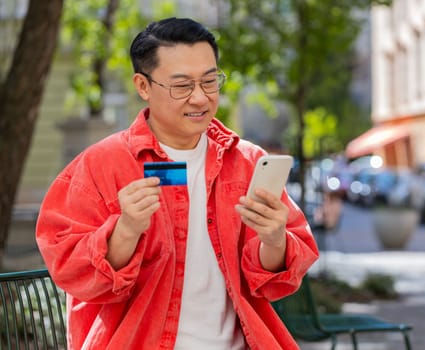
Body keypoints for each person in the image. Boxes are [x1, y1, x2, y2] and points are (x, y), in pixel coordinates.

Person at [36, 17, 319, 350]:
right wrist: (125, 230)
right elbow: (71, 271)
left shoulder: (247, 162)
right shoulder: (101, 165)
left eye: (210, 81)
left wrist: (274, 239)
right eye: (182, 86)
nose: (200, 98)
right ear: (143, 86)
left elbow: (273, 283)